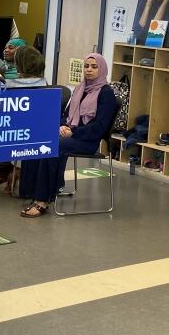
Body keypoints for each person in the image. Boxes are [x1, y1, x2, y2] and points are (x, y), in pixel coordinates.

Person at [19, 52, 117, 218]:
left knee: (53, 146)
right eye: (86, 66)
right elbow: (66, 115)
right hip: (72, 135)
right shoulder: (80, 88)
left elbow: (99, 128)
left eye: (94, 67)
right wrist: (62, 126)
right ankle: (33, 191)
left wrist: (73, 131)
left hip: (88, 141)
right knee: (41, 139)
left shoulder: (106, 93)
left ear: (102, 69)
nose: (89, 70)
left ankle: (42, 200)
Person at [0, 46, 47, 191]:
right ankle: (10, 171)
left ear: (20, 64)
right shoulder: (44, 83)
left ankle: (8, 171)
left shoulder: (16, 85)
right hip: (31, 131)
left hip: (25, 134)